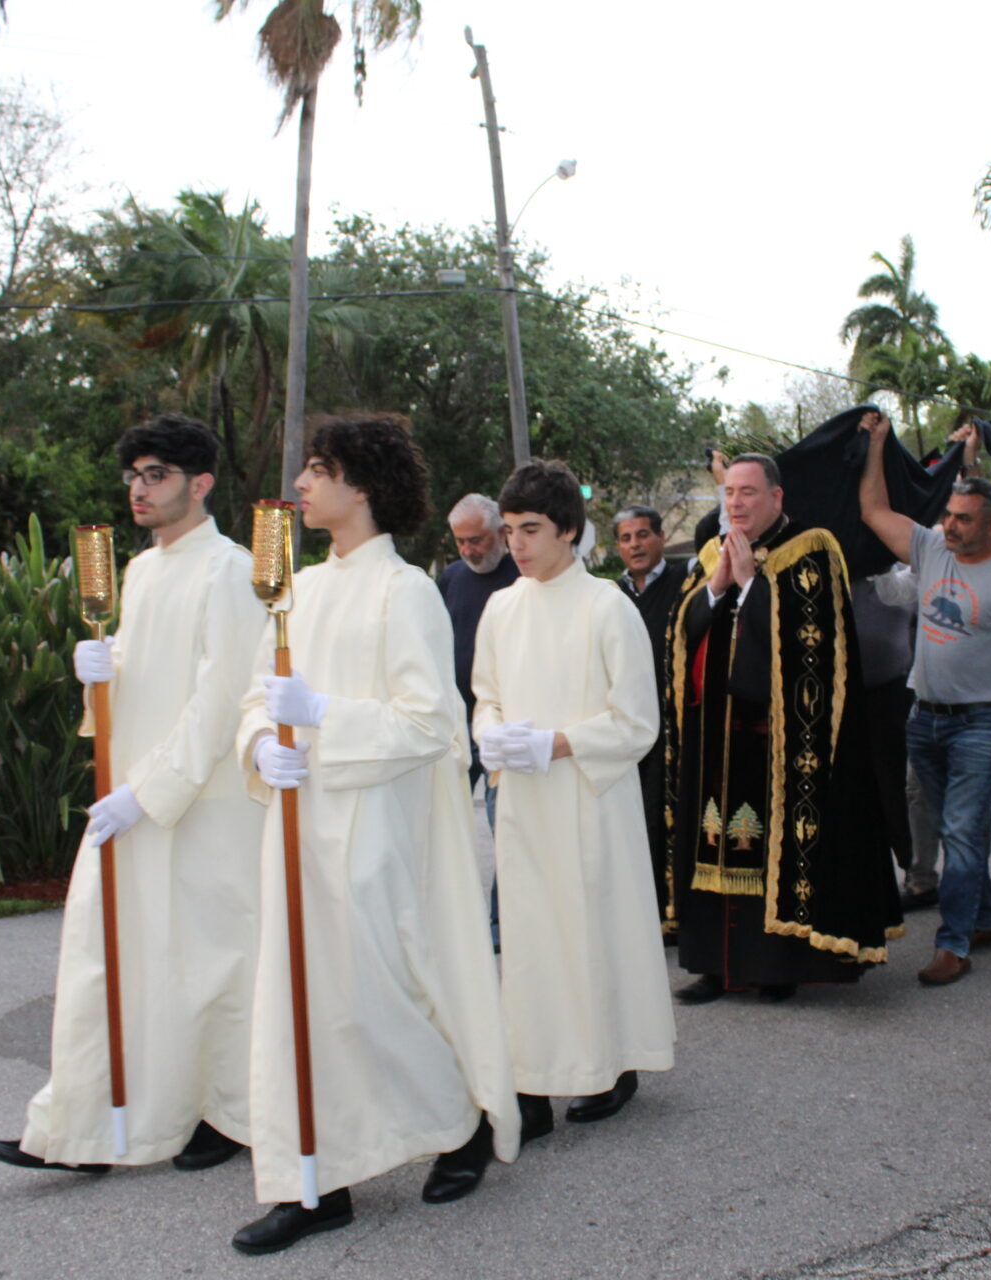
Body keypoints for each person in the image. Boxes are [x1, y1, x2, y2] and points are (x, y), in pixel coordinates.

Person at [230, 414, 519, 1255]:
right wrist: (259, 742)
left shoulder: (406, 592)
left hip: (373, 826)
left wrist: (322, 717)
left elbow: (434, 723)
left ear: (363, 486)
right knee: (300, 1005)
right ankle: (313, 1182)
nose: (304, 485)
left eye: (320, 470)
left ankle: (455, 1119)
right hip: (297, 821)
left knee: (371, 999)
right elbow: (257, 694)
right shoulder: (297, 590)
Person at [0, 414, 271, 1180]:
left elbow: (219, 702)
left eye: (156, 476)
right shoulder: (137, 572)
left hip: (198, 805)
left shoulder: (231, 570)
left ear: (200, 483)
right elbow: (145, 689)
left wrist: (150, 793)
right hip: (129, 798)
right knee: (105, 960)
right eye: (134, 477)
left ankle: (225, 1112)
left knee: (210, 964)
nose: (139, 490)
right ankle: (78, 1127)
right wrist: (100, 676)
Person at [475, 462, 675, 1144]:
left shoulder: (606, 607)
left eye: (530, 530)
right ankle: (528, 1080)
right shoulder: (501, 607)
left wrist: (558, 743)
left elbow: (637, 720)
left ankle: (610, 1063)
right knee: (528, 941)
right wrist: (493, 736)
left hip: (590, 796)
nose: (518, 545)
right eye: (509, 532)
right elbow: (485, 694)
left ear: (569, 530)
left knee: (590, 932)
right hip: (524, 801)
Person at [664, 451, 903, 1003]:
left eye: (748, 492)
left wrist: (753, 588)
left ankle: (775, 965)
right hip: (713, 737)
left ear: (776, 497)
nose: (737, 503)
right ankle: (714, 966)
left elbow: (813, 647)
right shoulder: (711, 555)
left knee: (772, 850)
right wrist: (718, 588)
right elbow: (682, 634)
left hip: (776, 743)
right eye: (729, 493)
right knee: (710, 843)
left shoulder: (811, 553)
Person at [857, 412, 991, 986]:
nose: (950, 526)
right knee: (952, 831)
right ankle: (986, 916)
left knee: (965, 833)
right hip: (925, 717)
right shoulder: (930, 548)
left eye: (964, 520)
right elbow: (874, 512)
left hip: (981, 724)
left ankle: (955, 943)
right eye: (947, 515)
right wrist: (875, 446)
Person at [613, 504, 686, 919]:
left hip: (675, 723)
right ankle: (640, 910)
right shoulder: (612, 595)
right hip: (626, 726)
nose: (635, 545)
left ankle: (672, 910)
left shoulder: (685, 582)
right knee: (632, 818)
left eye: (642, 535)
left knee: (668, 818)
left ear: (659, 537)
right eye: (625, 538)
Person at [439, 494, 521, 826]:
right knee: (447, 822)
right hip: (457, 722)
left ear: (502, 532)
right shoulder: (451, 578)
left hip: (504, 723)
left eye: (476, 540)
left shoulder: (523, 577)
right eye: (461, 541)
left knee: (503, 823)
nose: (469, 550)